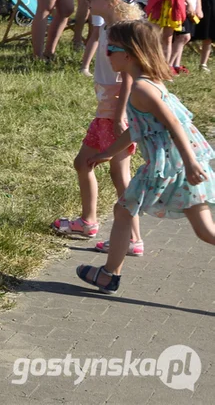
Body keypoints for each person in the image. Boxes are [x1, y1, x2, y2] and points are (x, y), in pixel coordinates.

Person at [76, 20, 215, 295]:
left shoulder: (141, 89)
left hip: (171, 167)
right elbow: (141, 129)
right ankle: (109, 274)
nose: (106, 55)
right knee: (201, 230)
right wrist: (108, 152)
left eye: (109, 49)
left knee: (126, 210)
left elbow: (175, 125)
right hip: (175, 165)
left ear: (128, 54)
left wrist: (189, 163)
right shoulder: (148, 84)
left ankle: (109, 275)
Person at [51, 0, 143, 254]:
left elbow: (129, 76)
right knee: (84, 162)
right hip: (107, 109)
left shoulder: (122, 31)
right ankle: (89, 221)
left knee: (118, 174)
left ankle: (132, 238)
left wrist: (118, 117)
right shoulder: (110, 27)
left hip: (116, 112)